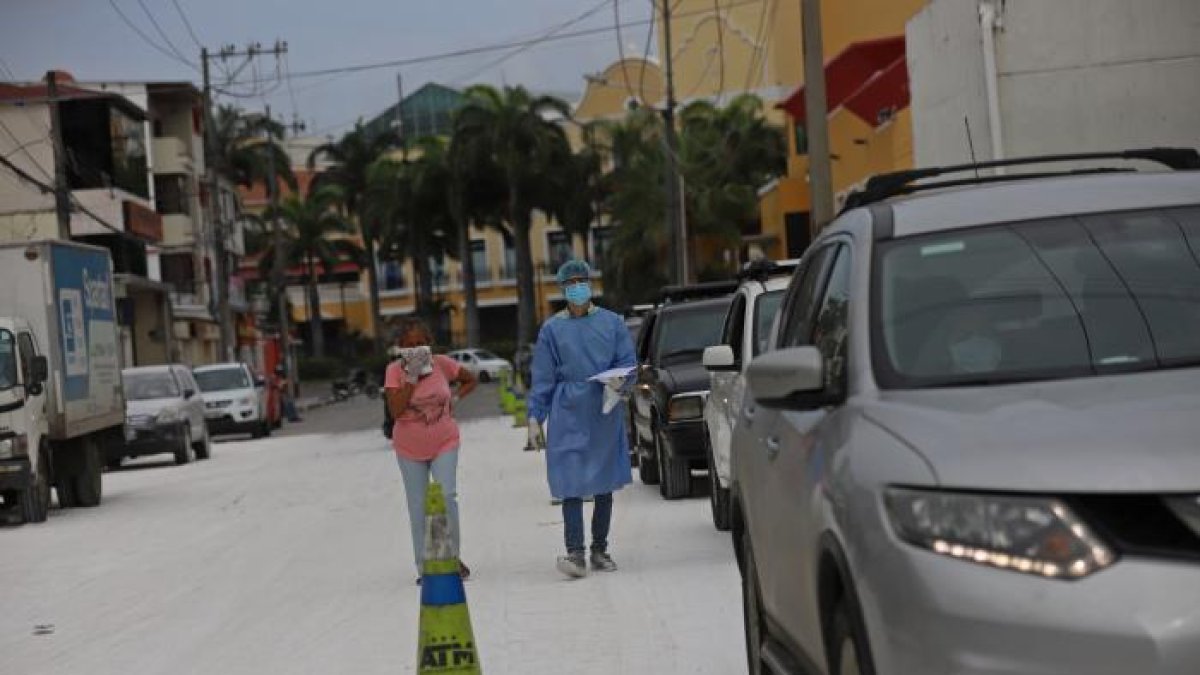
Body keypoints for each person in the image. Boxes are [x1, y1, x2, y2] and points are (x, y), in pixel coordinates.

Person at [528, 259, 637, 579]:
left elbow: (628, 363)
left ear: (590, 284)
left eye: (581, 280)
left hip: (603, 406)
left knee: (604, 482)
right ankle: (575, 552)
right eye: (570, 282)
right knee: (570, 481)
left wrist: (622, 382)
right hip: (567, 411)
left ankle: (600, 549)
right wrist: (535, 417)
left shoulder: (612, 323)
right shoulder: (552, 329)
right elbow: (543, 377)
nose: (577, 287)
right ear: (562, 288)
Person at [384, 317, 478, 583]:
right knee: (419, 506)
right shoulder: (393, 371)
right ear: (400, 348)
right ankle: (425, 567)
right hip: (409, 447)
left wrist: (455, 398)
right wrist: (411, 378)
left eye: (421, 343)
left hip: (444, 440)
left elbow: (470, 379)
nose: (416, 349)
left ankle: (452, 558)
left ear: (430, 344)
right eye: (409, 345)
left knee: (447, 494)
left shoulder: (443, 364)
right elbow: (396, 410)